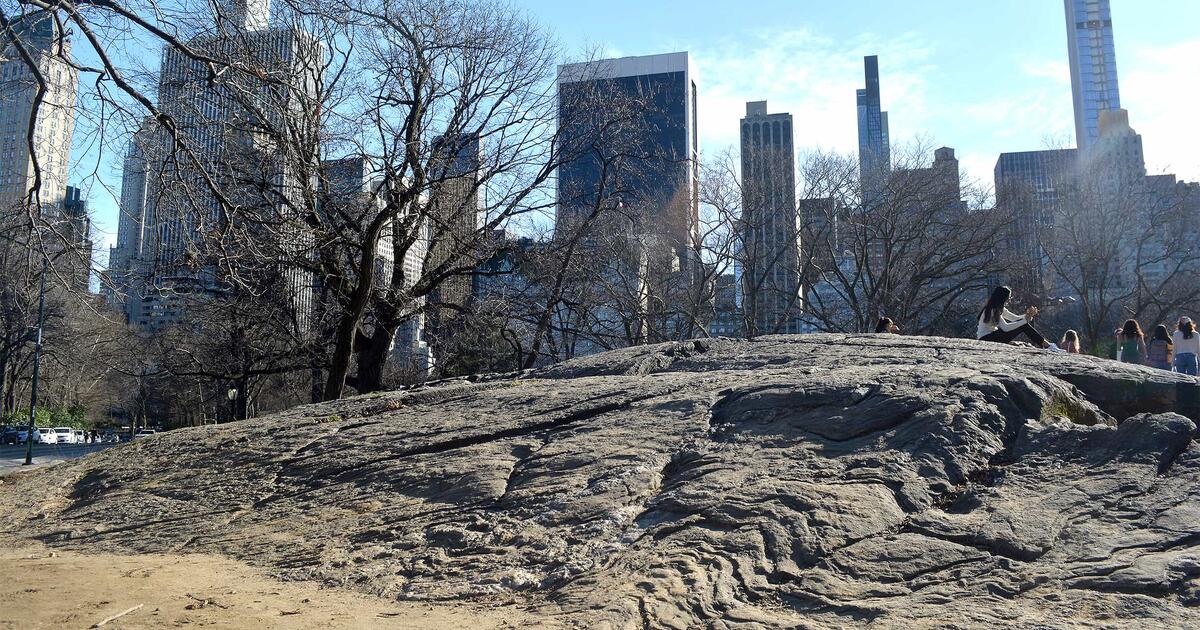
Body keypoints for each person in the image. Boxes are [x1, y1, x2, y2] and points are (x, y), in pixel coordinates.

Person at [976, 286, 1057, 349]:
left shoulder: (997, 308)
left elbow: (1014, 318)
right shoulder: (994, 309)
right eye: (1009, 297)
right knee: (1023, 325)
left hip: (990, 337)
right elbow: (1006, 328)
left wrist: (1028, 315)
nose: (1009, 300)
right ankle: (1047, 345)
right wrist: (1025, 320)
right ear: (1003, 298)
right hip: (987, 339)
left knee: (1023, 325)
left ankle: (1047, 345)